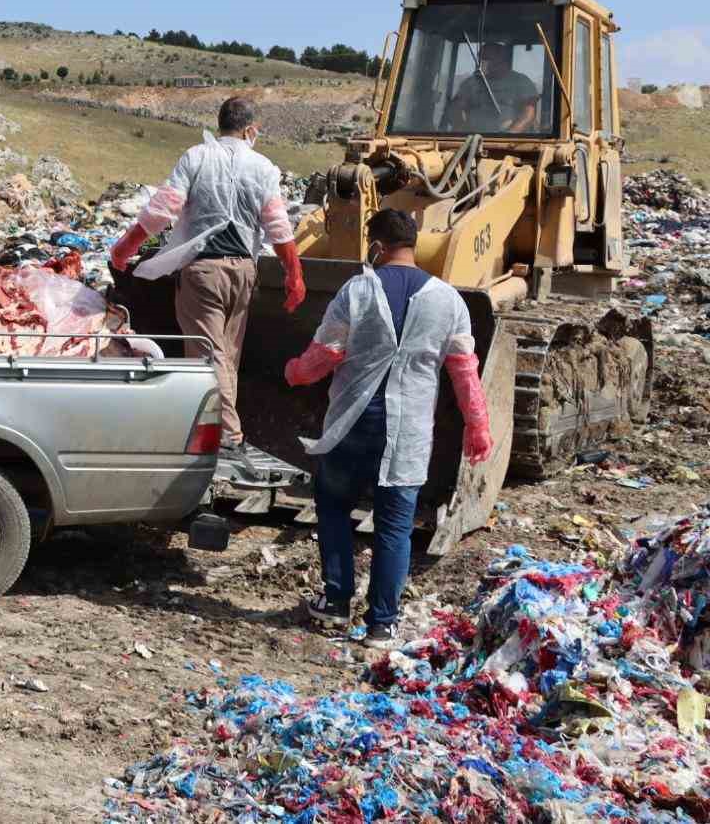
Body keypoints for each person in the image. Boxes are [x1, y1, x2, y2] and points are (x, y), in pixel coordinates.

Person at [284, 209, 493, 649]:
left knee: (334, 503)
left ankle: (337, 600)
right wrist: (478, 427)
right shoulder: (449, 300)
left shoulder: (358, 289)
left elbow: (325, 354)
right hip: (410, 429)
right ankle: (383, 624)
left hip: (354, 422)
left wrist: (294, 373)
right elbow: (463, 371)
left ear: (376, 244)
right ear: (413, 244)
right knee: (395, 526)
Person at [109, 96, 305, 465]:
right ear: (250, 130)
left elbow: (162, 209)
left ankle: (227, 436)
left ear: (222, 125)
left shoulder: (196, 157)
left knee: (208, 356)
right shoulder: (263, 167)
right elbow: (278, 227)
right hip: (244, 272)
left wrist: (123, 249)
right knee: (226, 355)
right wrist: (295, 276)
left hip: (204, 273)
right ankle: (221, 430)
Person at [444, 42, 541, 134]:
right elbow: (455, 108)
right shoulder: (471, 83)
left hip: (509, 143)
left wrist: (509, 135)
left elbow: (529, 114)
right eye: (481, 59)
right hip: (472, 139)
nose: (482, 63)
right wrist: (462, 129)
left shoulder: (521, 82)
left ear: (502, 60)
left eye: (487, 59)